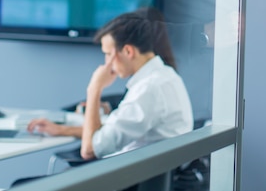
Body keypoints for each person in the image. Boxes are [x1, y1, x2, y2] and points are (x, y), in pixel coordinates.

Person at [27, 8, 193, 160]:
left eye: (108, 54)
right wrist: (62, 130)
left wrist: (94, 89)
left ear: (128, 51)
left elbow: (90, 150)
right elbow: (111, 133)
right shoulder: (165, 76)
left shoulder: (148, 90)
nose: (106, 63)